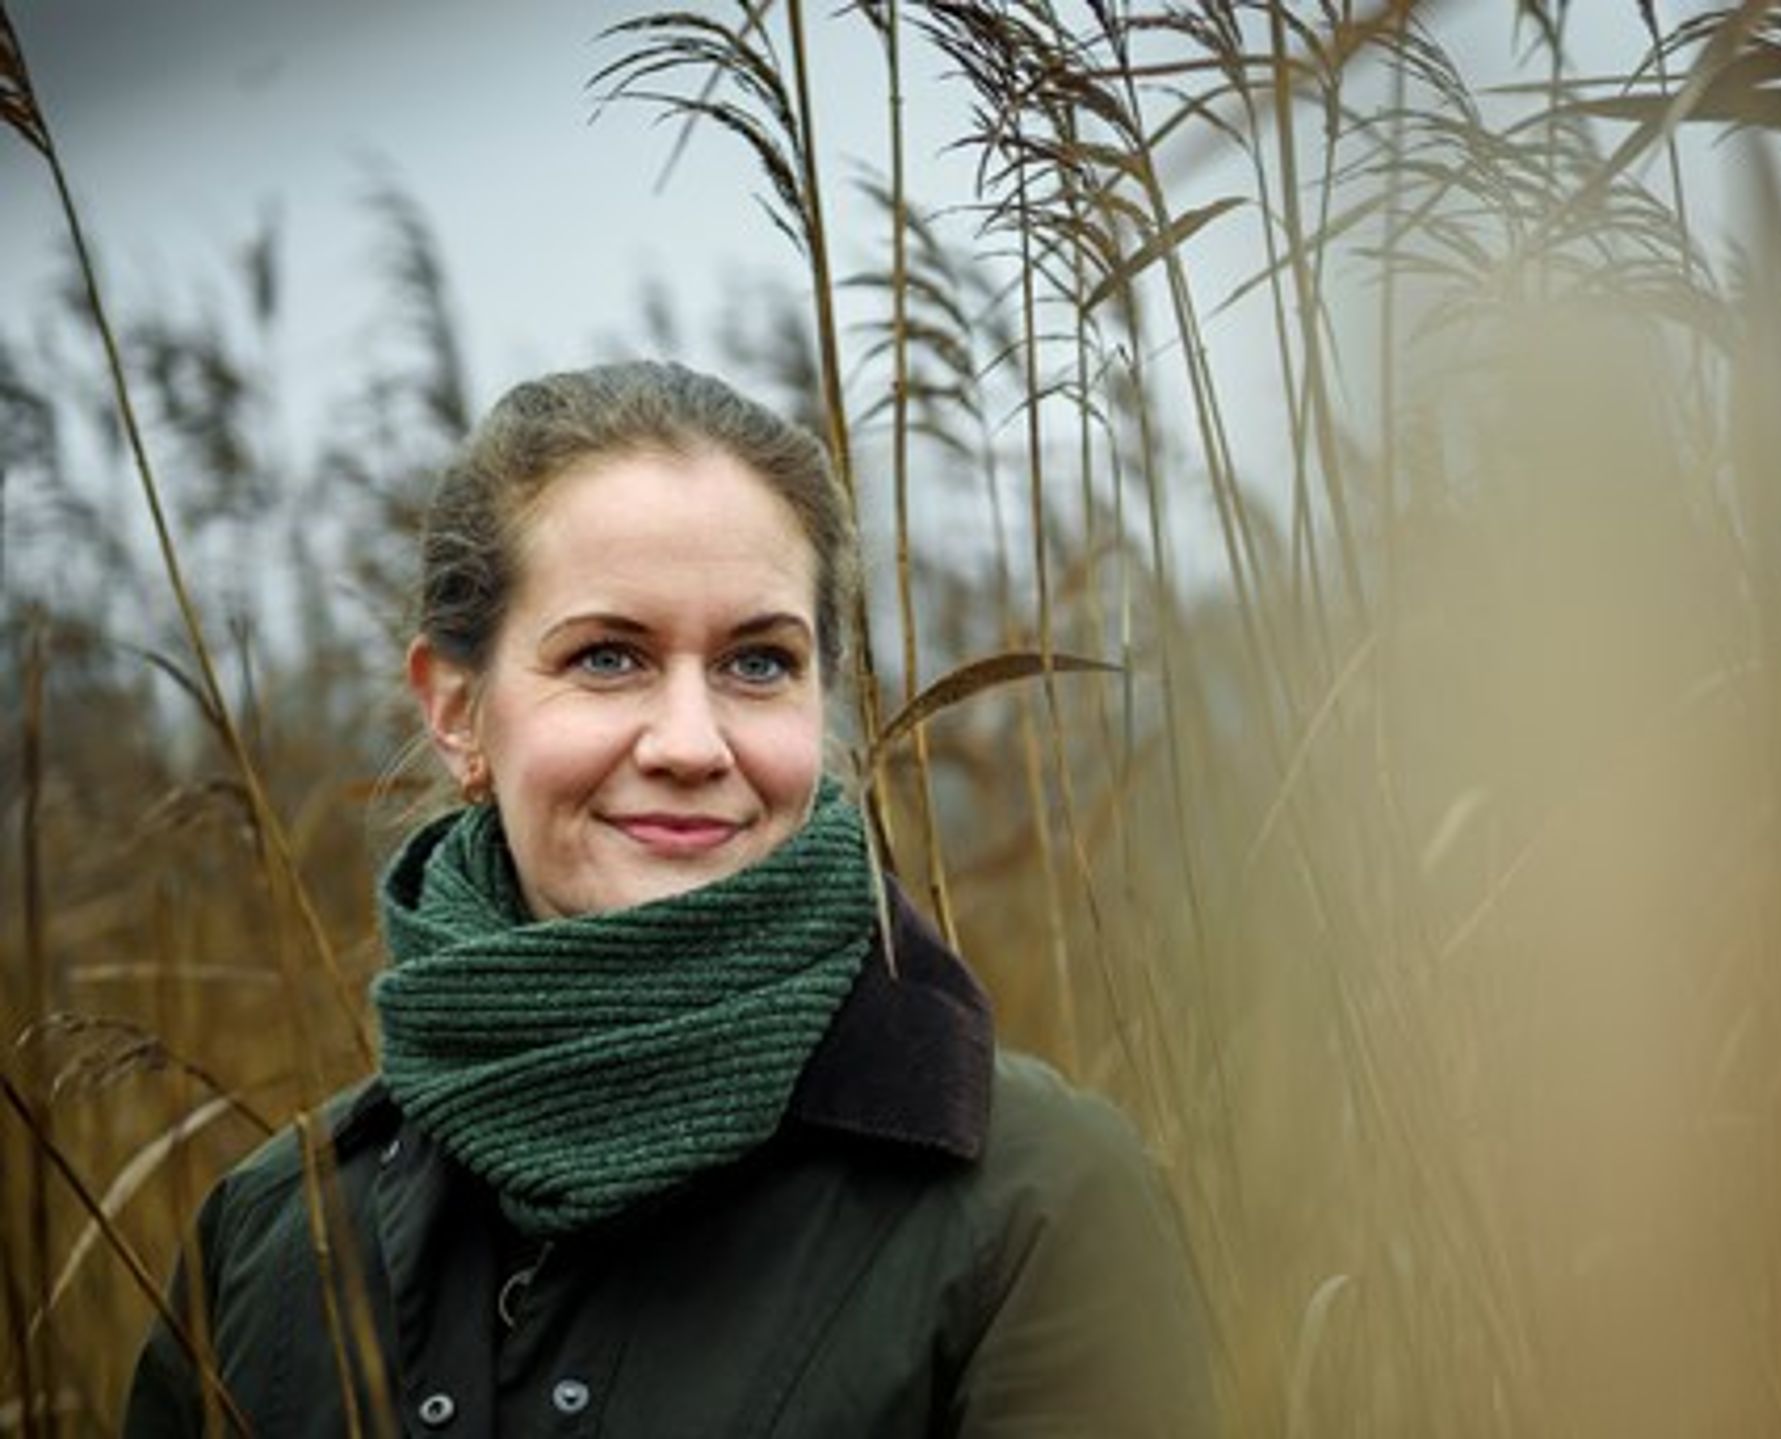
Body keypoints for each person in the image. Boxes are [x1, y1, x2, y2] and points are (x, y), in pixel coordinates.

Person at [122, 360, 1218, 1436]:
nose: (691, 743)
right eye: (607, 657)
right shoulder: (273, 1237)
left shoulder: (1035, 1203)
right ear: (457, 710)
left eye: (757, 662)